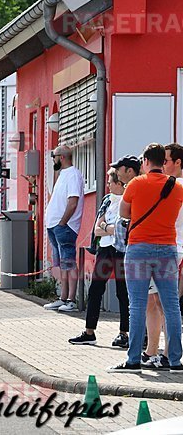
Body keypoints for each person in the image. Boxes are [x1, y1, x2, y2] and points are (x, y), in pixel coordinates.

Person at [109, 143, 183, 373]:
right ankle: (175, 360)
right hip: (168, 248)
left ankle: (133, 361)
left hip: (139, 248)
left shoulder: (136, 184)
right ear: (164, 162)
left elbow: (123, 213)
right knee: (171, 306)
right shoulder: (178, 187)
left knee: (138, 305)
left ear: (145, 162)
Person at [69, 167, 132, 346]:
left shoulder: (127, 200)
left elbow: (124, 229)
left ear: (119, 183)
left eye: (110, 182)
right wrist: (109, 228)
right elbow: (97, 228)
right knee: (96, 288)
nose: (107, 185)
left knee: (123, 291)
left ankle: (124, 333)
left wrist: (108, 228)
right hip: (104, 249)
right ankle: (89, 331)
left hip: (121, 250)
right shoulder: (107, 200)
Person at [142, 143, 183, 369]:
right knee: (155, 302)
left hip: (174, 249)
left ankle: (169, 354)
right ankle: (153, 351)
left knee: (167, 304)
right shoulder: (167, 184)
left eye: (166, 161)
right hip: (165, 248)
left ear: (178, 162)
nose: (163, 165)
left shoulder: (177, 186)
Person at [43, 145, 85, 312]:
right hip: (55, 226)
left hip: (64, 226)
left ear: (61, 157)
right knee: (61, 263)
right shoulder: (62, 175)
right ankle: (63, 297)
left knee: (69, 262)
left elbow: (72, 202)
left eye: (54, 156)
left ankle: (71, 300)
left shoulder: (73, 175)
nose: (52, 159)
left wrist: (62, 223)